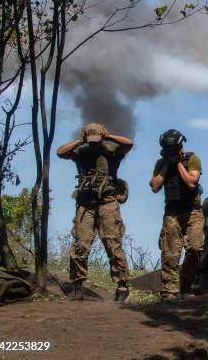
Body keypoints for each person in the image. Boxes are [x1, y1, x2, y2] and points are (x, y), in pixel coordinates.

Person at [57, 123, 133, 303]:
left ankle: (122, 287)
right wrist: (79, 140)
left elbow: (128, 144)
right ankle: (77, 285)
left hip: (108, 203)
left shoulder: (111, 152)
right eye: (90, 140)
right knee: (81, 245)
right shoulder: (81, 152)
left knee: (113, 244)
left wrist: (109, 136)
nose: (93, 143)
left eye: (96, 139)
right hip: (85, 204)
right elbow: (60, 153)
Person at [149, 129, 205, 302]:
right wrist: (167, 163)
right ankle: (169, 293)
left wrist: (179, 163)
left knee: (196, 248)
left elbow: (190, 182)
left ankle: (186, 284)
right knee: (170, 254)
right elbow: (155, 186)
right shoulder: (160, 163)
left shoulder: (192, 159)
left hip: (193, 212)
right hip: (172, 213)